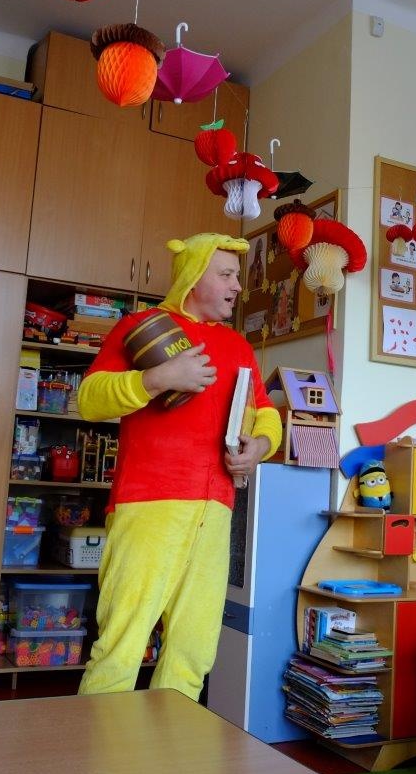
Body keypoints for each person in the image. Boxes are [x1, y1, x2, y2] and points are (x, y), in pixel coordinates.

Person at [75, 233, 282, 701]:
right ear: (193, 277)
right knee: (122, 644)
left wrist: (261, 445)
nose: (237, 286)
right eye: (226, 275)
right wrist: (157, 379)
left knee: (193, 649)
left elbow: (264, 410)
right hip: (148, 505)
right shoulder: (141, 327)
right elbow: (89, 399)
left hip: (216, 509)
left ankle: (170, 743)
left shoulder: (239, 346)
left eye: (237, 276)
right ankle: (96, 746)